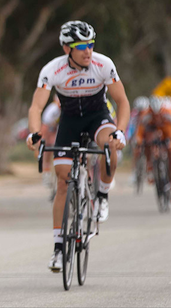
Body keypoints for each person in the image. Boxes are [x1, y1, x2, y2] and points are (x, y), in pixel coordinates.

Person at [26, 20, 130, 272]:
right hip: (70, 122)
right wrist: (34, 133)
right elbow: (36, 107)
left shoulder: (103, 65)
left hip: (99, 118)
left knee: (109, 147)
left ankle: (102, 195)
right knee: (62, 182)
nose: (88, 51)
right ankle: (59, 250)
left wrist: (120, 132)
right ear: (66, 49)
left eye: (91, 44)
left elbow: (123, 101)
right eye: (81, 46)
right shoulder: (52, 70)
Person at [135, 95, 171, 203]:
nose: (157, 117)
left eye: (159, 114)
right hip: (153, 131)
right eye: (154, 114)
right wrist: (139, 142)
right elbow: (139, 133)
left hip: (168, 132)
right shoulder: (146, 115)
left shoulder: (170, 114)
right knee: (146, 143)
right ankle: (150, 166)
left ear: (162, 110)